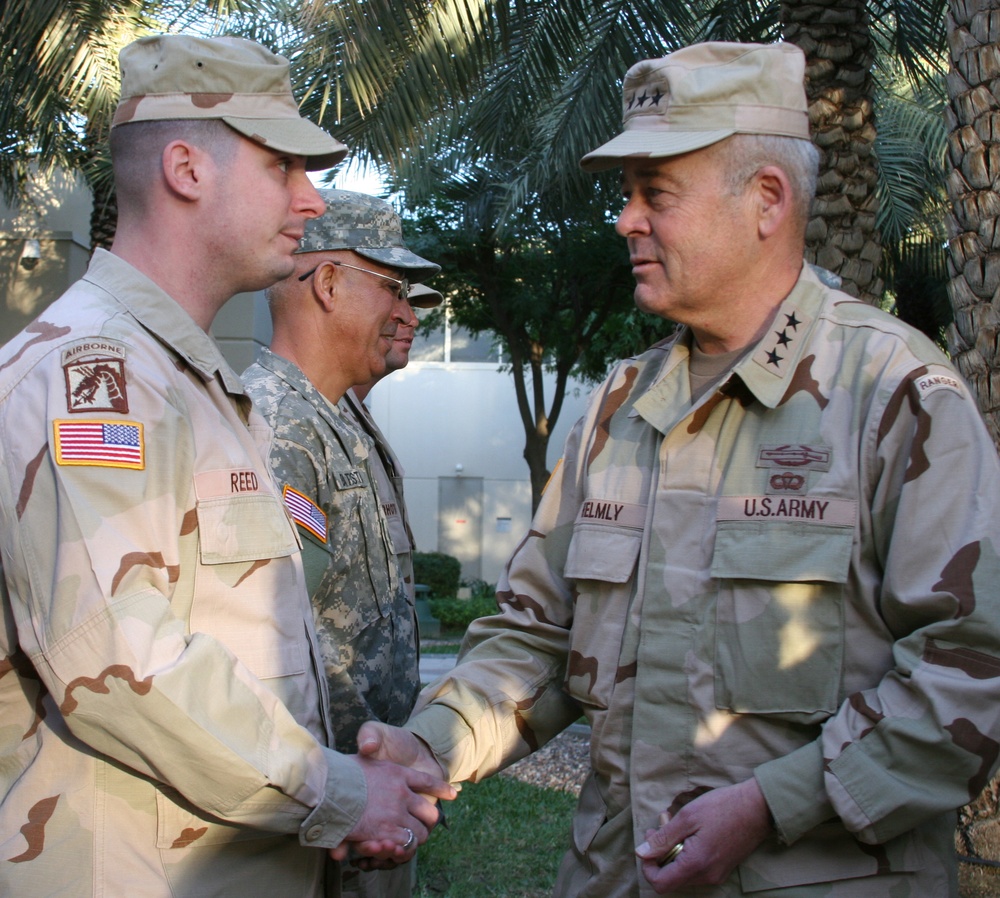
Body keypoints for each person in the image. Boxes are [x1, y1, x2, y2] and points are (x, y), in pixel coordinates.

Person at [357, 40, 1000, 897]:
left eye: (655, 193)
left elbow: (971, 665)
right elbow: (537, 637)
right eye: (627, 196)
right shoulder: (621, 406)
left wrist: (772, 806)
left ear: (767, 199)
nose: (626, 220)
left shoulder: (896, 396)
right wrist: (427, 744)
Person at [0, 35, 453, 897]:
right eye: (283, 166)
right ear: (186, 169)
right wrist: (344, 792)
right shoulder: (92, 378)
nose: (310, 199)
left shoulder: (186, 380)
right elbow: (122, 662)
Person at [243, 189, 441, 898]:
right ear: (326, 283)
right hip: (328, 817)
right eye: (394, 287)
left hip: (369, 801)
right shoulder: (272, 425)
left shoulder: (342, 420)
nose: (411, 314)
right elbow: (288, 644)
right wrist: (368, 791)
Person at [341, 280, 444, 609]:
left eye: (409, 304)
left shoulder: (356, 419)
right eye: (395, 298)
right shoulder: (298, 419)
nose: (411, 319)